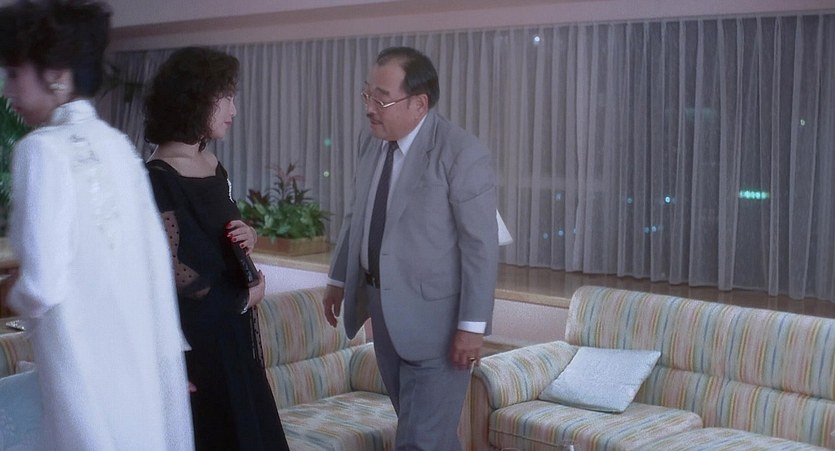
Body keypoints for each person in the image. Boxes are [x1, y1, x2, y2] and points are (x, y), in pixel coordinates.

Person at [0, 1, 193, 450]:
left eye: (13, 74)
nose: (7, 91)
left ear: (55, 73)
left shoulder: (39, 150)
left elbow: (41, 287)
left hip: (81, 379)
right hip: (138, 379)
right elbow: (154, 269)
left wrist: (9, 290)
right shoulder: (120, 146)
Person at [323, 46, 499, 450]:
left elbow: (480, 246)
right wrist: (338, 278)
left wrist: (472, 327)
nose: (370, 108)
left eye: (381, 99)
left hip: (438, 322)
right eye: (367, 95)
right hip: (382, 309)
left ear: (419, 104)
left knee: (420, 441)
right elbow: (357, 215)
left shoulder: (461, 153)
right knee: (424, 433)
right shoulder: (373, 143)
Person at [143, 46, 290, 451]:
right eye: (225, 97)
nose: (233, 109)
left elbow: (219, 235)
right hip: (200, 343)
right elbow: (175, 272)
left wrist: (248, 235)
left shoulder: (211, 163)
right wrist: (243, 298)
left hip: (234, 335)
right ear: (195, 99)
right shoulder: (158, 177)